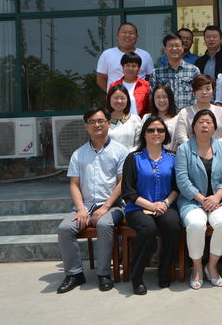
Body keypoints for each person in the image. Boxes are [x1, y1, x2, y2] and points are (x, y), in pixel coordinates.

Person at [56, 106, 129, 294]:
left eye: (101, 121)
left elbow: (122, 182)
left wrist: (106, 206)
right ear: (86, 126)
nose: (97, 125)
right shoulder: (78, 154)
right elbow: (74, 184)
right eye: (92, 122)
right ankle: (74, 274)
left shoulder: (120, 151)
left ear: (108, 123)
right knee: (64, 228)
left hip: (113, 206)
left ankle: (104, 274)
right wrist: (81, 208)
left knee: (104, 224)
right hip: (86, 206)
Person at [121, 117, 182, 295]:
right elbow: (128, 192)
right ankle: (136, 277)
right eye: (151, 130)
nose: (156, 133)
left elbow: (177, 187)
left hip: (165, 205)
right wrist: (151, 206)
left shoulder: (173, 157)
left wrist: (165, 203)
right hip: (138, 208)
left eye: (160, 130)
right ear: (144, 134)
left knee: (173, 225)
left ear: (165, 134)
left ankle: (163, 271)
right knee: (147, 228)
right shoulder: (133, 158)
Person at [176, 109, 222, 289]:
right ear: (193, 127)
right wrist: (203, 200)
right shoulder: (184, 149)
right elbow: (182, 180)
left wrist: (217, 197)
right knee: (195, 224)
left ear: (214, 127)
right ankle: (197, 268)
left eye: (209, 122)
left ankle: (212, 266)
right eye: (200, 122)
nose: (204, 125)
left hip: (219, 201)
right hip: (192, 201)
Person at [96, 22, 154, 91]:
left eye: (131, 33)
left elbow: (149, 78)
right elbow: (101, 79)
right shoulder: (107, 54)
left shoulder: (145, 55)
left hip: (139, 96)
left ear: (137, 37)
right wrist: (111, 93)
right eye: (124, 32)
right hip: (115, 96)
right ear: (117, 35)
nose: (127, 35)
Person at [173, 75, 222, 148]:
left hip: (218, 151)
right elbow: (181, 136)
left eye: (208, 89)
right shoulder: (185, 112)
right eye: (200, 89)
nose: (204, 92)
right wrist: (196, 149)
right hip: (191, 151)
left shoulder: (221, 111)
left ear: (213, 90)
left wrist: (214, 147)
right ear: (194, 91)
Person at [150, 33, 200, 110]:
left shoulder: (194, 71)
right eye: (170, 46)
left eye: (177, 45)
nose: (174, 48)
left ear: (182, 48)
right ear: (165, 49)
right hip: (165, 115)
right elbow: (152, 97)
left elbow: (198, 94)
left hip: (188, 115)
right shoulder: (156, 73)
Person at [108, 51, 151, 118]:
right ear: (122, 67)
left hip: (140, 122)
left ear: (139, 69)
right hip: (119, 122)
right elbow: (109, 107)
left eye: (134, 66)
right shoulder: (113, 86)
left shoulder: (146, 85)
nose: (130, 69)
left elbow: (149, 108)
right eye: (127, 65)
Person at [142, 83, 179, 149]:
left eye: (165, 97)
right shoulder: (146, 117)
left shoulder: (178, 119)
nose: (161, 100)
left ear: (170, 98)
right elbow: (141, 140)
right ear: (153, 99)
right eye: (158, 97)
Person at [106, 84, 142, 151]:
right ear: (109, 99)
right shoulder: (104, 121)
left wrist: (127, 154)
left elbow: (139, 144)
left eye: (122, 98)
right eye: (116, 98)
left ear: (127, 100)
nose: (119, 101)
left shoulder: (135, 119)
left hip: (130, 156)